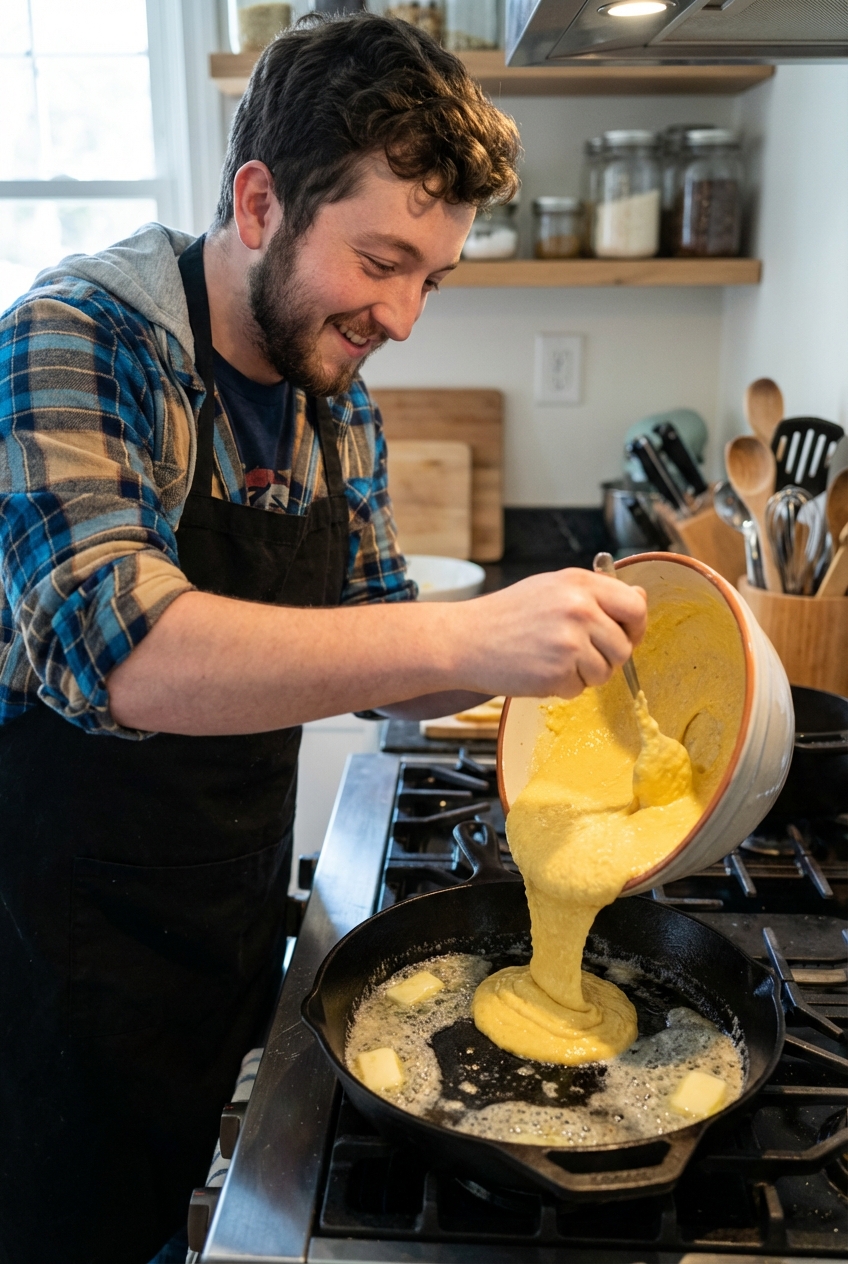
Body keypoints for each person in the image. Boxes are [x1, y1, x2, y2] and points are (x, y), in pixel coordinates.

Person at [0, 13, 646, 1264]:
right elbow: (119, 654)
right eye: (381, 260)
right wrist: (470, 633)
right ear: (258, 202)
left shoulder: (330, 406)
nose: (403, 314)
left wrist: (581, 751)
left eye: (431, 277)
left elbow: (380, 637)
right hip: (58, 958)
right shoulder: (69, 343)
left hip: (226, 921)